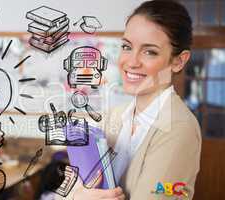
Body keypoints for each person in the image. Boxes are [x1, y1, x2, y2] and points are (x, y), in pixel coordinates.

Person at [73, 1, 201, 199]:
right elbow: (71, 185)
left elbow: (162, 193)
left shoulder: (180, 129)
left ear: (178, 61)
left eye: (150, 51)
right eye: (127, 46)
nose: (131, 62)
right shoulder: (116, 116)